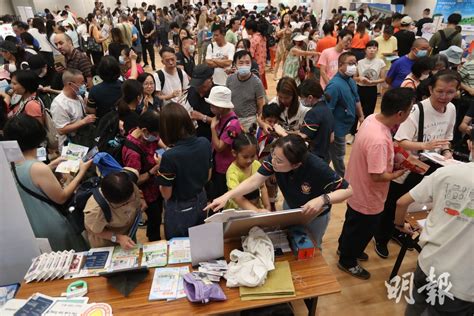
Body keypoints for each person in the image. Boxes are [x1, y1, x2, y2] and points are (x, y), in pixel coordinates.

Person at [206, 134, 353, 249]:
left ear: (296, 165)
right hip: (291, 208)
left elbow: (348, 190)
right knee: (291, 242)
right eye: (273, 156)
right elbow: (255, 180)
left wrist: (322, 199)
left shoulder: (317, 168)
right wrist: (226, 196)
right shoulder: (276, 158)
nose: (273, 162)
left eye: (279, 161)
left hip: (315, 215)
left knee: (312, 247)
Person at [374, 70, 460, 258]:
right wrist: (424, 145)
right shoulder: (417, 110)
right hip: (409, 166)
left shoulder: (452, 109)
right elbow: (400, 140)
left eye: (450, 92)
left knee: (415, 201)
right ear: (430, 89)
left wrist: (446, 152)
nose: (445, 97)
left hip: (433, 165)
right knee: (393, 202)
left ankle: (397, 230)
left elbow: (447, 138)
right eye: (440, 91)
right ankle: (381, 237)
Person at [337, 88, 415, 280]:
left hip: (355, 185)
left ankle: (345, 249)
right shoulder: (378, 140)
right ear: (400, 114)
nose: (410, 113)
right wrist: (397, 172)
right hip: (368, 194)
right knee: (363, 229)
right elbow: (377, 176)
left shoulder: (372, 118)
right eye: (410, 110)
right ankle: (347, 260)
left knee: (352, 223)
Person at [395, 131, 474, 315]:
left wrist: (399, 226)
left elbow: (402, 202)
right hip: (463, 284)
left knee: (415, 308)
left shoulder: (447, 172)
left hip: (429, 263)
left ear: (470, 144)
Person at [5, 114, 90, 251]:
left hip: (33, 224)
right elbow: (61, 197)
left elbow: (28, 178)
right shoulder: (38, 168)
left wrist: (50, 165)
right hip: (52, 223)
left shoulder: (13, 163)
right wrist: (81, 172)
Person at [157, 102, 212, 238]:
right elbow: (208, 176)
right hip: (201, 198)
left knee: (179, 246)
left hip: (180, 206)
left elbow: (166, 194)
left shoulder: (169, 157)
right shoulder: (204, 142)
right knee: (199, 239)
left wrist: (160, 169)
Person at [122, 109, 163, 242]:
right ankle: (153, 241)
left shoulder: (144, 133)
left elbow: (157, 141)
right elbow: (134, 180)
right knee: (154, 219)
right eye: (155, 134)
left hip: (156, 188)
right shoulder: (132, 152)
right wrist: (155, 169)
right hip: (147, 195)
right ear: (145, 131)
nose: (156, 137)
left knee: (157, 218)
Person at [325, 52, 364, 177]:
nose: (354, 66)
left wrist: (361, 117)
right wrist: (331, 132)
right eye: (351, 63)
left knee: (331, 155)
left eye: (355, 63)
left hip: (345, 126)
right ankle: (341, 181)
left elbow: (356, 99)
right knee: (338, 156)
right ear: (340, 65)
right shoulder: (334, 86)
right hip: (337, 130)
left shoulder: (351, 81)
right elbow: (327, 111)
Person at [84, 170, 144, 249]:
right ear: (110, 201)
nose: (128, 206)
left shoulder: (127, 185)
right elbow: (94, 231)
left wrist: (141, 200)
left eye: (131, 198)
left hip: (128, 233)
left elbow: (137, 195)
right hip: (107, 243)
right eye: (124, 204)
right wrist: (118, 238)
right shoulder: (96, 210)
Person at [208, 86, 242, 199]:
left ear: (222, 107)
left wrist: (212, 128)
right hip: (216, 164)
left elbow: (219, 147)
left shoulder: (232, 124)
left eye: (213, 105)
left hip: (224, 168)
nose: (211, 107)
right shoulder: (220, 116)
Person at [51, 69, 96, 150]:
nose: (84, 85)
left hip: (84, 140)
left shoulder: (78, 96)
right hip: (71, 146)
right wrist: (84, 121)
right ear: (70, 84)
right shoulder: (59, 104)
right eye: (81, 83)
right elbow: (61, 130)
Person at [226, 132, 270, 211]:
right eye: (245, 157)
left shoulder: (256, 164)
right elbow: (237, 197)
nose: (249, 160)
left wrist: (267, 206)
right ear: (234, 153)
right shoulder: (232, 172)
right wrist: (256, 211)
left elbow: (263, 187)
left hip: (256, 207)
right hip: (238, 212)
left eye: (253, 156)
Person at [226, 50, 265, 132]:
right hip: (233, 118)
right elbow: (227, 99)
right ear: (235, 64)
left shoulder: (256, 82)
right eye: (241, 63)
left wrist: (259, 119)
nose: (244, 65)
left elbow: (260, 103)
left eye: (247, 63)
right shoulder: (230, 79)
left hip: (249, 120)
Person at [297, 79, 334, 162]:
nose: (300, 100)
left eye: (301, 97)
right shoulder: (327, 109)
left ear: (310, 97)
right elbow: (332, 138)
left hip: (314, 157)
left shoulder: (313, 113)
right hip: (326, 156)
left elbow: (302, 137)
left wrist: (283, 133)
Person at [354, 40, 387, 118]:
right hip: (360, 88)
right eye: (369, 48)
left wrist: (372, 81)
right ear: (365, 50)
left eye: (374, 48)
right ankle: (353, 130)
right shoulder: (360, 62)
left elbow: (383, 79)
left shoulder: (380, 62)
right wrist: (360, 79)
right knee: (356, 111)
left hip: (371, 89)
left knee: (369, 111)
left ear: (377, 50)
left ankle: (366, 128)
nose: (372, 50)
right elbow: (354, 77)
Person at [87, 56, 122, 120]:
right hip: (122, 120)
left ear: (100, 71)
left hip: (104, 123)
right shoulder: (124, 85)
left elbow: (91, 112)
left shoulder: (94, 90)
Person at [187, 64, 215, 141]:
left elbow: (225, 122)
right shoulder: (192, 90)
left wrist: (202, 117)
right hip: (193, 137)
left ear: (210, 79)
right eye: (196, 84)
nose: (198, 87)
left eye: (201, 85)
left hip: (212, 139)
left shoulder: (218, 93)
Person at [245, 20, 267, 90]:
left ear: (250, 29)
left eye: (246, 29)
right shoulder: (262, 36)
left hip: (256, 65)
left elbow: (251, 54)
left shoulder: (253, 40)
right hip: (262, 63)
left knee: (256, 86)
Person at [273, 13, 292, 81]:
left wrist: (289, 30)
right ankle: (274, 75)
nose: (286, 19)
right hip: (281, 44)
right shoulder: (279, 26)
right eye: (285, 17)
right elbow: (277, 34)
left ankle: (283, 75)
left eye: (288, 17)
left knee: (285, 61)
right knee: (278, 60)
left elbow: (292, 35)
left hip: (288, 45)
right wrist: (284, 29)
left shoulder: (291, 26)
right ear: (282, 18)